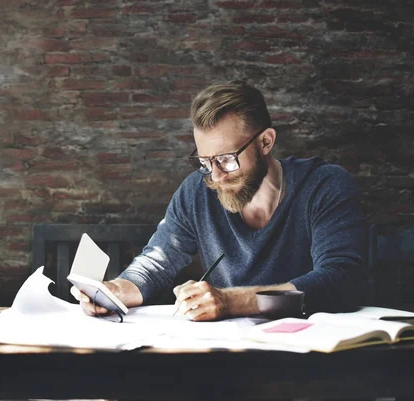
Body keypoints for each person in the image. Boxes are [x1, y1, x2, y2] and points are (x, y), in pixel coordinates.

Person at [71, 80, 368, 321]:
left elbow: (341, 281)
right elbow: (157, 263)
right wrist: (116, 290)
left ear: (265, 142)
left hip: (313, 354)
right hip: (232, 353)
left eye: (226, 159)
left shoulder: (325, 186)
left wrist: (232, 301)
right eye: (204, 161)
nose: (216, 176)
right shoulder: (197, 192)